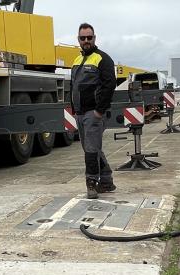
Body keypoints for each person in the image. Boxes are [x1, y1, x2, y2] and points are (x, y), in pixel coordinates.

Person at [70, 22, 117, 199]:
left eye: (89, 37)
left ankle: (91, 183)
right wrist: (74, 108)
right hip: (80, 113)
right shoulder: (77, 60)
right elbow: (73, 86)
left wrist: (99, 110)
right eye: (83, 38)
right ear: (79, 40)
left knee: (90, 149)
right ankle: (106, 181)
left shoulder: (102, 58)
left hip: (93, 113)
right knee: (91, 147)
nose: (86, 41)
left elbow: (109, 84)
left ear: (94, 38)